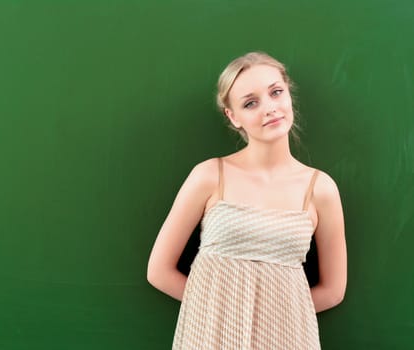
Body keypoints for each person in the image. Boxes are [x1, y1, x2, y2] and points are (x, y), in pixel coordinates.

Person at [147, 52, 347, 349]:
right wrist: (220, 314)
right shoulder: (209, 176)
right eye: (250, 103)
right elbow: (159, 271)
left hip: (288, 338)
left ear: (288, 95)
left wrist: (272, 322)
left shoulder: (321, 189)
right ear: (233, 116)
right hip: (209, 335)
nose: (270, 108)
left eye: (276, 92)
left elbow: (332, 290)